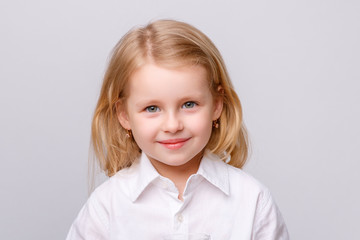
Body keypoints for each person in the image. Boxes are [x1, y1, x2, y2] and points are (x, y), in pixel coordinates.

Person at [66, 19, 289, 240]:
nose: (173, 126)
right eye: (152, 108)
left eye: (189, 104)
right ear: (124, 115)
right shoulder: (106, 207)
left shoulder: (253, 201)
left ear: (217, 105)